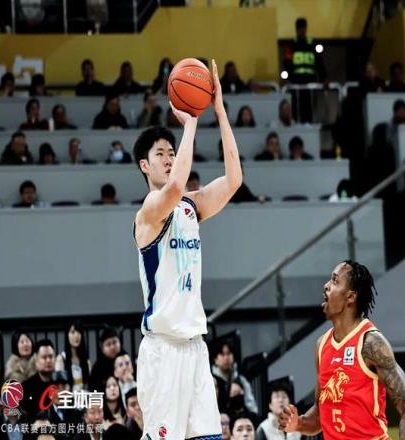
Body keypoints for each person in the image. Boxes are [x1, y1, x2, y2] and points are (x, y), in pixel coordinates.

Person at [132, 59, 242, 440]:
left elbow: (234, 180)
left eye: (171, 152)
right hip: (162, 351)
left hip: (195, 348)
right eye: (160, 154)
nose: (168, 158)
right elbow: (175, 186)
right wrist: (191, 123)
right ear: (144, 166)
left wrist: (219, 112)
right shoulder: (148, 212)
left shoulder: (190, 207)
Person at [278, 260, 405, 439]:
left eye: (335, 281)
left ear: (350, 296)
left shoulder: (371, 342)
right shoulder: (321, 345)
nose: (326, 286)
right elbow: (320, 415)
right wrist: (297, 423)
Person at [282, 17, 327, 122]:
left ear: (306, 29)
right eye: (299, 28)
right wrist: (286, 79)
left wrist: (324, 78)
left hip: (310, 83)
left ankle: (309, 124)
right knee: (295, 107)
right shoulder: (291, 45)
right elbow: (287, 64)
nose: (302, 30)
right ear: (296, 30)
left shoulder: (312, 44)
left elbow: (319, 62)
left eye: (303, 28)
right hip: (295, 83)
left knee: (309, 107)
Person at [212, 341, 258, 415]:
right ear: (215, 359)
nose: (226, 358)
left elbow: (251, 406)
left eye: (229, 353)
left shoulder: (241, 379)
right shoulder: (212, 380)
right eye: (222, 354)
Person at [21, 339, 57, 423]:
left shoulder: (60, 383)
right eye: (44, 357)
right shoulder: (27, 387)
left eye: (51, 357)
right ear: (36, 360)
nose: (48, 360)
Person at [55, 320, 91, 392]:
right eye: (73, 332)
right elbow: (60, 387)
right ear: (67, 335)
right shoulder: (61, 359)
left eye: (79, 332)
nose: (76, 335)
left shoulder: (86, 360)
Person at [89, 326, 123, 392]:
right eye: (108, 344)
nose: (112, 347)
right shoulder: (97, 367)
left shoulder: (126, 360)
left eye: (114, 342)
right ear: (102, 349)